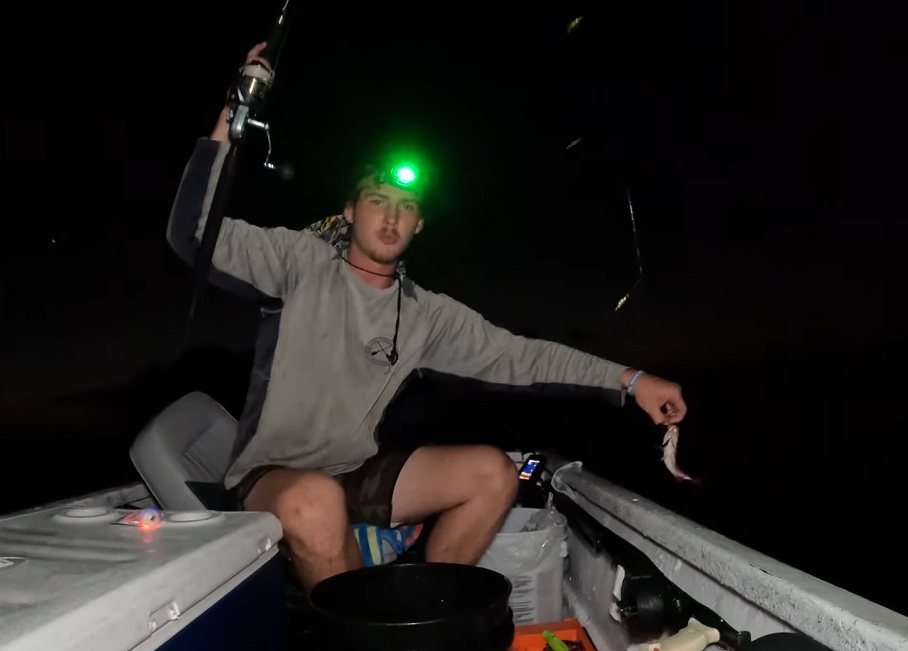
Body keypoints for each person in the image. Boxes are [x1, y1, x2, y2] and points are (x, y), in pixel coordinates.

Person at [166, 42, 688, 591]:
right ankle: (363, 643)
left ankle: (424, 609)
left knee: (494, 472)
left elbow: (523, 355)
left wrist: (632, 379)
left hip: (355, 472)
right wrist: (236, 110)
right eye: (377, 200)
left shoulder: (425, 313)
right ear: (349, 210)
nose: (391, 217)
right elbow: (191, 234)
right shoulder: (298, 261)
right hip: (270, 476)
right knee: (313, 500)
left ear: (419, 227)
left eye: (407, 207)